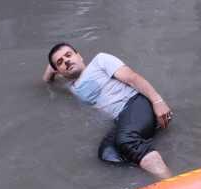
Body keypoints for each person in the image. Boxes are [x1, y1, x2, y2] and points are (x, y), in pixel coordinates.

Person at [43, 43, 173, 179]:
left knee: (126, 140)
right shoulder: (72, 88)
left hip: (136, 103)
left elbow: (132, 78)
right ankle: (149, 157)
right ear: (59, 72)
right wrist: (52, 69)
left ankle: (170, 183)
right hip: (122, 119)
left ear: (79, 56)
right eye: (60, 62)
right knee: (107, 153)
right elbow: (46, 82)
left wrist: (158, 102)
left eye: (68, 55)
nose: (66, 61)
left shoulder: (100, 60)